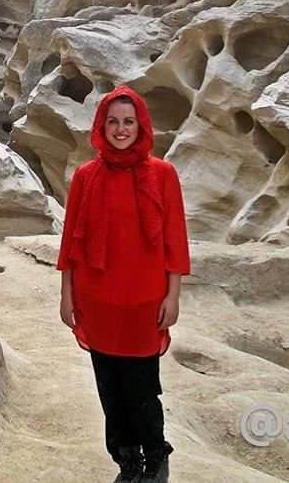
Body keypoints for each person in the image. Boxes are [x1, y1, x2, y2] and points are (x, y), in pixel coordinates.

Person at [57, 85, 190, 483]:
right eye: (113, 121)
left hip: (144, 301)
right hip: (96, 300)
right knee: (110, 390)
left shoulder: (162, 174)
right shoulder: (85, 176)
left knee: (141, 388)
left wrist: (173, 295)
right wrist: (66, 296)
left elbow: (174, 238)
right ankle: (127, 463)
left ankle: (156, 459)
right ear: (101, 125)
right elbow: (71, 241)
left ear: (141, 125)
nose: (120, 129)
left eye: (128, 121)